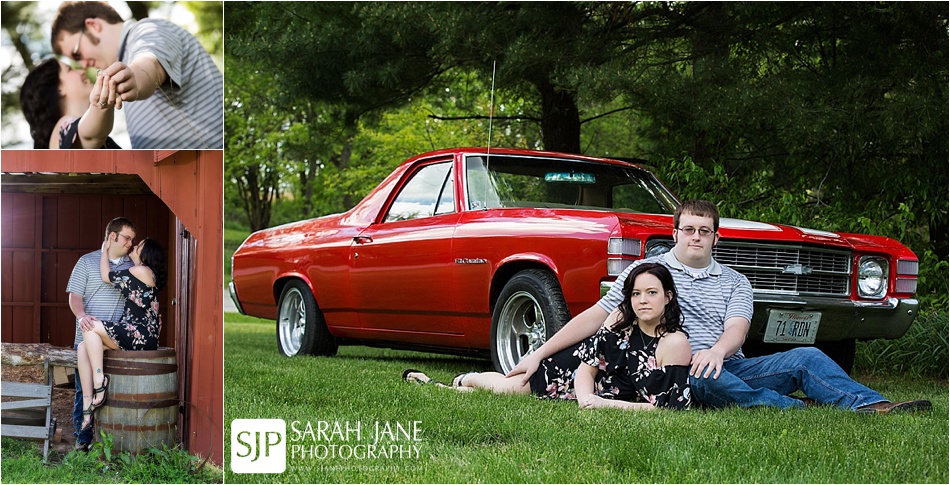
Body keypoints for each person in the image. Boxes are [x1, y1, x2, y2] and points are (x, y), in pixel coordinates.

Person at [508, 200, 932, 414]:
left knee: (807, 356)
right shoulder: (645, 272)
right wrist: (538, 354)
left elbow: (738, 328)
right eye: (688, 229)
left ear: (715, 238)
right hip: (678, 369)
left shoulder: (735, 280)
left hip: (727, 361)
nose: (696, 237)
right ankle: (793, 407)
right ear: (674, 233)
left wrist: (718, 351)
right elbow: (597, 317)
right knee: (701, 383)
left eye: (704, 231)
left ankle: (872, 406)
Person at [404, 263, 693, 410]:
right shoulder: (619, 319)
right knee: (511, 389)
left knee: (509, 393)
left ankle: (439, 387)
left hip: (601, 395)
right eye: (636, 294)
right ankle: (464, 379)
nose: (642, 301)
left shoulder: (675, 344)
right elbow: (587, 366)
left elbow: (665, 411)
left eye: (652, 293)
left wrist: (601, 404)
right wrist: (585, 397)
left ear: (668, 297)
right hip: (576, 372)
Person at [51, 1, 224, 149]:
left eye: (76, 54)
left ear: (93, 26)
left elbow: (150, 64)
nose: (82, 65)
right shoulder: (121, 67)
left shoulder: (146, 29)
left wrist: (134, 76)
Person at [75, 233, 166, 433]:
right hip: (138, 335)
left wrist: (104, 251)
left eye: (139, 244)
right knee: (83, 346)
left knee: (89, 325)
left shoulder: (141, 270)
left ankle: (99, 381)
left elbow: (106, 276)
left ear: (146, 252)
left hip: (139, 334)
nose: (134, 245)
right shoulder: (142, 271)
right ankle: (87, 406)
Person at [66, 217, 135, 451]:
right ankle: (82, 439)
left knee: (111, 393)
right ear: (112, 236)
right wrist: (82, 315)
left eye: (133, 239)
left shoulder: (131, 266)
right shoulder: (86, 262)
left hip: (114, 340)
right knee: (82, 391)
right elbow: (75, 297)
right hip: (86, 338)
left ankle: (111, 443)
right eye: (127, 238)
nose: (130, 243)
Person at [19, 58, 122, 149]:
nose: (82, 71)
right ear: (58, 89)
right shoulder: (62, 127)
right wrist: (102, 103)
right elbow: (90, 136)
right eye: (69, 69)